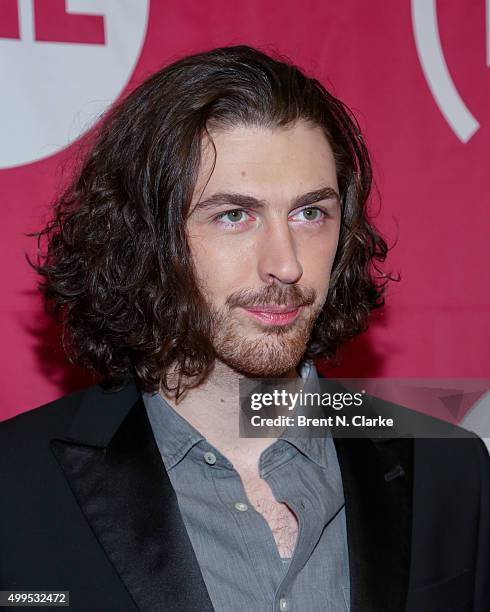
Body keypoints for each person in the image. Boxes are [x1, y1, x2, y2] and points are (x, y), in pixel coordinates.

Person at [0, 45, 488, 612]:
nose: (286, 264)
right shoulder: (16, 485)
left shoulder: (446, 467)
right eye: (235, 215)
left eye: (310, 213)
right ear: (142, 241)